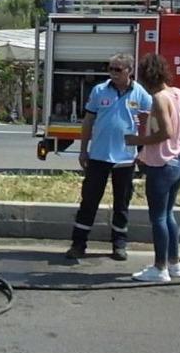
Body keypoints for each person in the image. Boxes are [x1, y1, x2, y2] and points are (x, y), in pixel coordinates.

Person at [65, 53, 152, 261]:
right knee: (89, 201)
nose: (112, 73)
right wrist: (83, 149)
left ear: (129, 71)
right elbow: (87, 122)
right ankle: (78, 244)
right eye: (110, 68)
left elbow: (149, 123)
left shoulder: (140, 94)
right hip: (99, 156)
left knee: (122, 203)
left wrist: (144, 150)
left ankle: (119, 244)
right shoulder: (99, 90)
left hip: (125, 159)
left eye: (117, 69)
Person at [125, 54, 180, 282]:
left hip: (162, 165)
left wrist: (138, 142)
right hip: (179, 162)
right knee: (168, 214)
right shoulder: (179, 93)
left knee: (158, 218)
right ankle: (174, 263)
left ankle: (159, 268)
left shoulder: (160, 98)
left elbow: (166, 132)